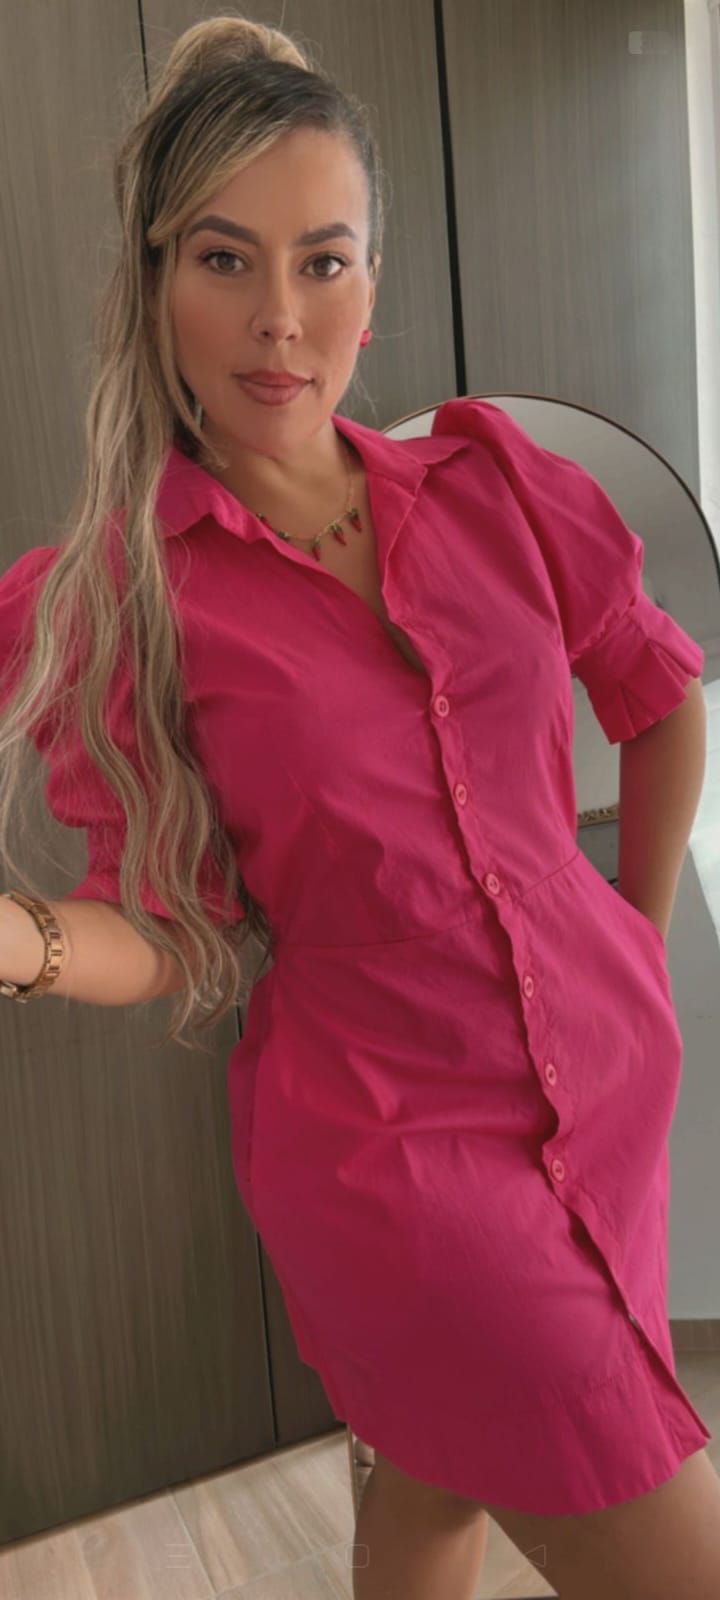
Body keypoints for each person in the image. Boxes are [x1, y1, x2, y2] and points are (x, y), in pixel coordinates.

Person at [0, 15, 718, 1600]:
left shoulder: (495, 486)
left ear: (371, 281)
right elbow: (167, 931)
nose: (280, 318)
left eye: (323, 262)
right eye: (225, 260)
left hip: (607, 1095)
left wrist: (634, 936)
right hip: (398, 1161)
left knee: (434, 1484)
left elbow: (659, 695)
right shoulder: (130, 599)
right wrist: (23, 941)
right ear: (155, 281)